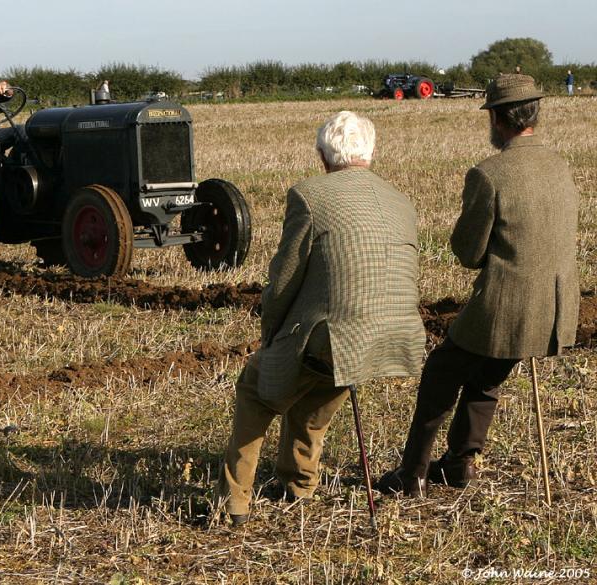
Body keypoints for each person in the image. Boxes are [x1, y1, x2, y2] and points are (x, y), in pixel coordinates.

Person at [215, 111, 426, 525]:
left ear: (321, 154)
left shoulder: (309, 196)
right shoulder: (400, 200)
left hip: (334, 335)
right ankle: (299, 484)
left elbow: (285, 277)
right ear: (371, 151)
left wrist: (271, 331)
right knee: (318, 388)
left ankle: (234, 503)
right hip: (393, 333)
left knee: (256, 390)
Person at [376, 74, 580, 497]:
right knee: (486, 378)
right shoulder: (561, 164)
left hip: (504, 307)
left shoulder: (489, 174)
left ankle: (412, 474)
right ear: (533, 114)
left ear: (498, 120)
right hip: (555, 309)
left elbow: (467, 253)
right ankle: (459, 463)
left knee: (439, 376)